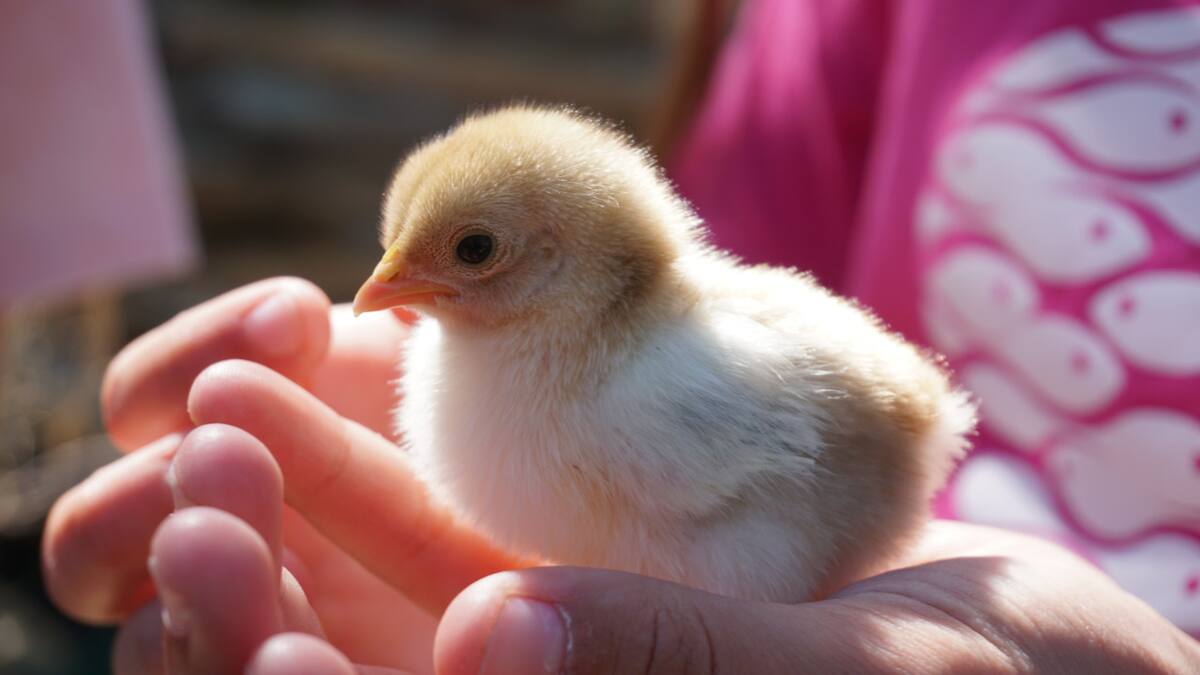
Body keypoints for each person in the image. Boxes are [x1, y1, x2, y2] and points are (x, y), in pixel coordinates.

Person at [42, 0, 1200, 672]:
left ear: (566, 257)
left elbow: (885, 417)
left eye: (472, 254)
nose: (392, 288)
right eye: (410, 250)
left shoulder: (654, 388)